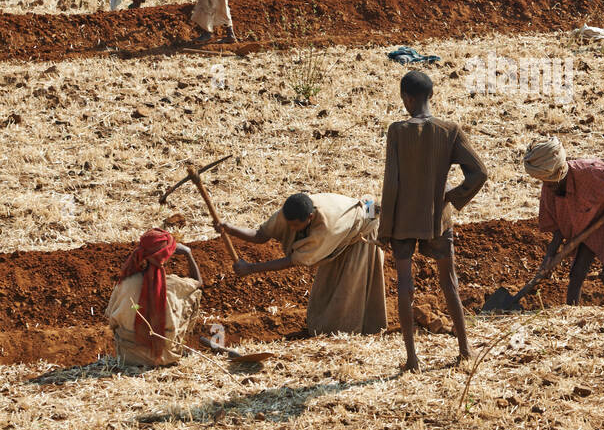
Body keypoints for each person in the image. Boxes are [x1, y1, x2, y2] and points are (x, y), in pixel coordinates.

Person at [378, 70, 488, 373]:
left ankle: (412, 359)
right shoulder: (449, 130)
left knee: (404, 285)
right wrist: (451, 197)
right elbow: (480, 172)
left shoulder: (397, 131)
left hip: (401, 220)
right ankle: (465, 349)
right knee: (449, 282)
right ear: (431, 96)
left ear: (408, 98)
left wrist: (384, 228)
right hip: (438, 219)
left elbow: (392, 182)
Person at [226, 193, 386, 336]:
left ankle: (347, 332)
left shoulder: (325, 230)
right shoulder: (290, 212)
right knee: (328, 284)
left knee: (349, 289)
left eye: (295, 226)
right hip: (352, 221)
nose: (291, 228)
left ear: (310, 217)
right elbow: (261, 235)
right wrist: (229, 229)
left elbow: (293, 261)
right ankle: (323, 327)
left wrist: (251, 268)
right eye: (289, 224)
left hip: (363, 232)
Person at [523, 139, 604, 307]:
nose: (547, 186)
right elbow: (558, 229)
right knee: (576, 275)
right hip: (589, 223)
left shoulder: (589, 172)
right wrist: (548, 260)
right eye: (544, 182)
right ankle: (571, 313)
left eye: (550, 182)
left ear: (559, 173)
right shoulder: (550, 187)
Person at [105, 230, 202, 368]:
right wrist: (188, 253)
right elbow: (198, 282)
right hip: (164, 358)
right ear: (167, 255)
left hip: (129, 357)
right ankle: (168, 347)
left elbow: (110, 317)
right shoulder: (176, 285)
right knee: (194, 293)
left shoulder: (125, 283)